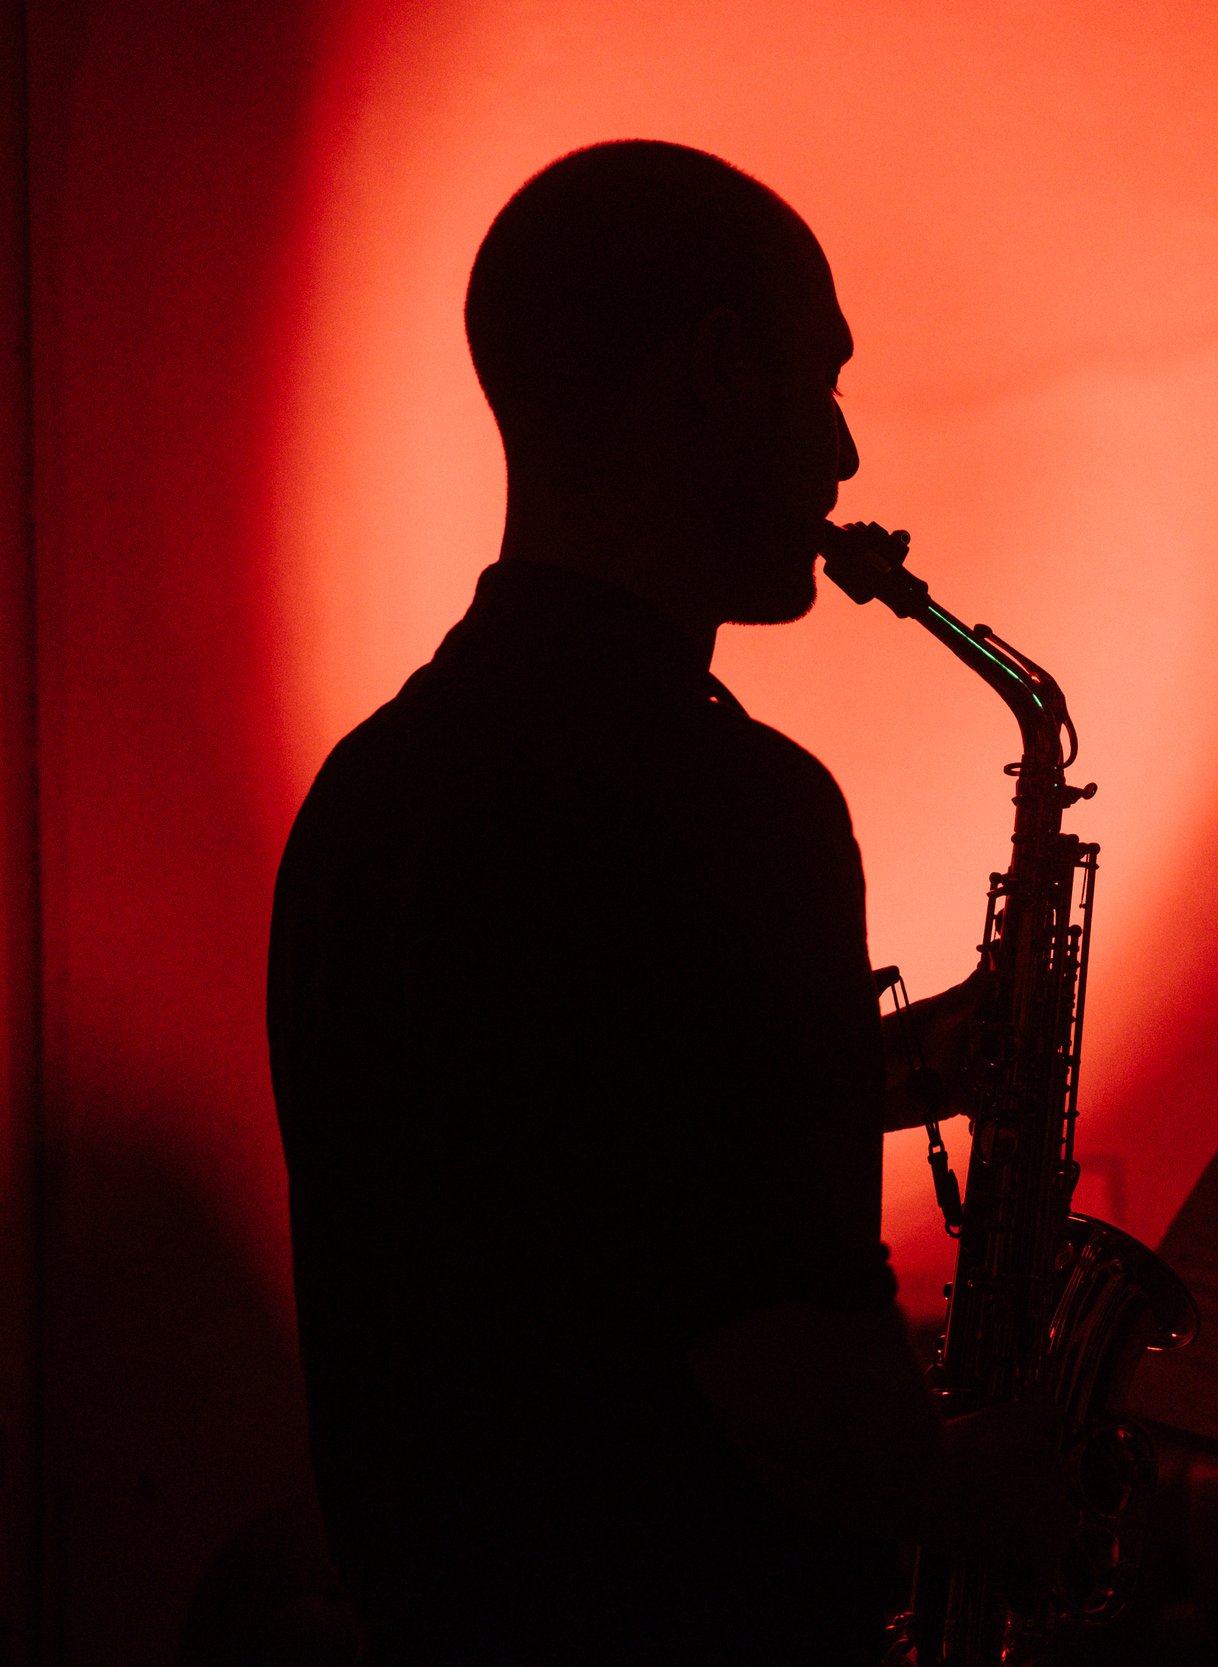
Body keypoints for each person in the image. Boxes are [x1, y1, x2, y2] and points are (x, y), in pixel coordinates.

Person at [267, 142, 1065, 1665]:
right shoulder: (733, 804)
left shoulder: (372, 789)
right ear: (715, 368)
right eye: (822, 381)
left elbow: (574, 1164)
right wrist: (980, 1475)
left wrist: (897, 1073)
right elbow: (795, 1374)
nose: (840, 452)